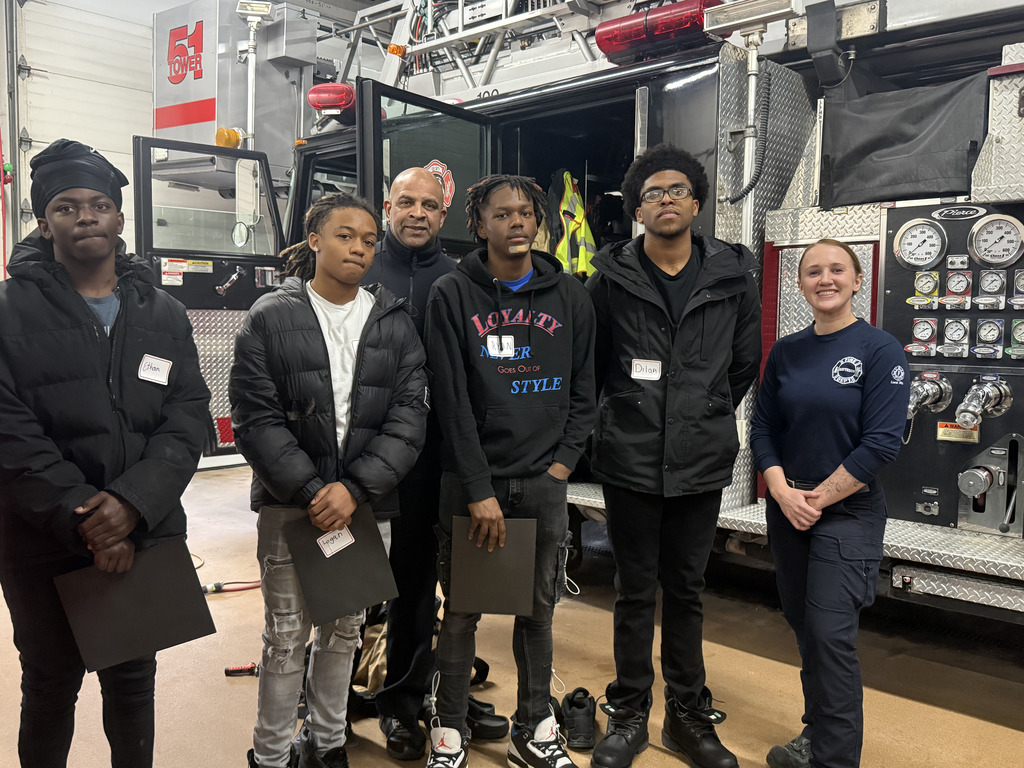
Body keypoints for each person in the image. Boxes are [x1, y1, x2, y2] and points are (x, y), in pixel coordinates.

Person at [0, 138, 211, 768]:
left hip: (141, 532)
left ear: (121, 217)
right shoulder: (9, 312)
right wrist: (87, 517)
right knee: (48, 685)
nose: (85, 215)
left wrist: (132, 504)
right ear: (44, 220)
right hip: (42, 539)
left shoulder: (164, 312)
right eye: (66, 206)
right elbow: (9, 429)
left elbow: (187, 415)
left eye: (99, 204)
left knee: (131, 681)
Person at [229, 192, 429, 768]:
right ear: (314, 240)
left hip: (364, 508)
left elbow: (409, 417)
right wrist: (313, 490)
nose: (360, 248)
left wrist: (355, 489)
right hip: (292, 506)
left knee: (345, 631)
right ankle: (269, 754)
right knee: (287, 635)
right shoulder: (271, 315)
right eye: (346, 236)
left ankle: (328, 742)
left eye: (369, 240)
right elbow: (254, 416)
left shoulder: (393, 322)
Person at [586, 144, 761, 768]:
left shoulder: (732, 278)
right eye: (653, 192)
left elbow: (744, 366)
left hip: (700, 460)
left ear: (696, 202)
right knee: (635, 592)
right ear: (636, 208)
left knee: (686, 591)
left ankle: (688, 717)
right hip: (629, 459)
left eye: (677, 190)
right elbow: (596, 365)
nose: (665, 199)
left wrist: (700, 412)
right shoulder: (609, 280)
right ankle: (628, 714)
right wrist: (630, 414)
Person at [423, 174, 596, 768]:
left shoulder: (571, 296)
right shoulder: (452, 293)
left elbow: (584, 390)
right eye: (502, 214)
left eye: (526, 213)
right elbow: (451, 402)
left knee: (537, 611)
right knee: (463, 610)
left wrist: (561, 467)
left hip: (543, 482)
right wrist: (478, 490)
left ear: (538, 221)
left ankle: (535, 726)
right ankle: (448, 731)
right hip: (474, 484)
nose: (516, 222)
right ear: (479, 224)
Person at [749, 239, 908, 768]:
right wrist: (779, 488)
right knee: (803, 625)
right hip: (789, 506)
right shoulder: (787, 351)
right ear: (800, 284)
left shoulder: (880, 350)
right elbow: (764, 427)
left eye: (837, 269)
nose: (826, 279)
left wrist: (816, 498)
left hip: (847, 512)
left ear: (858, 280)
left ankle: (834, 760)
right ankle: (816, 735)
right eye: (813, 271)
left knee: (829, 635)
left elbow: (882, 443)